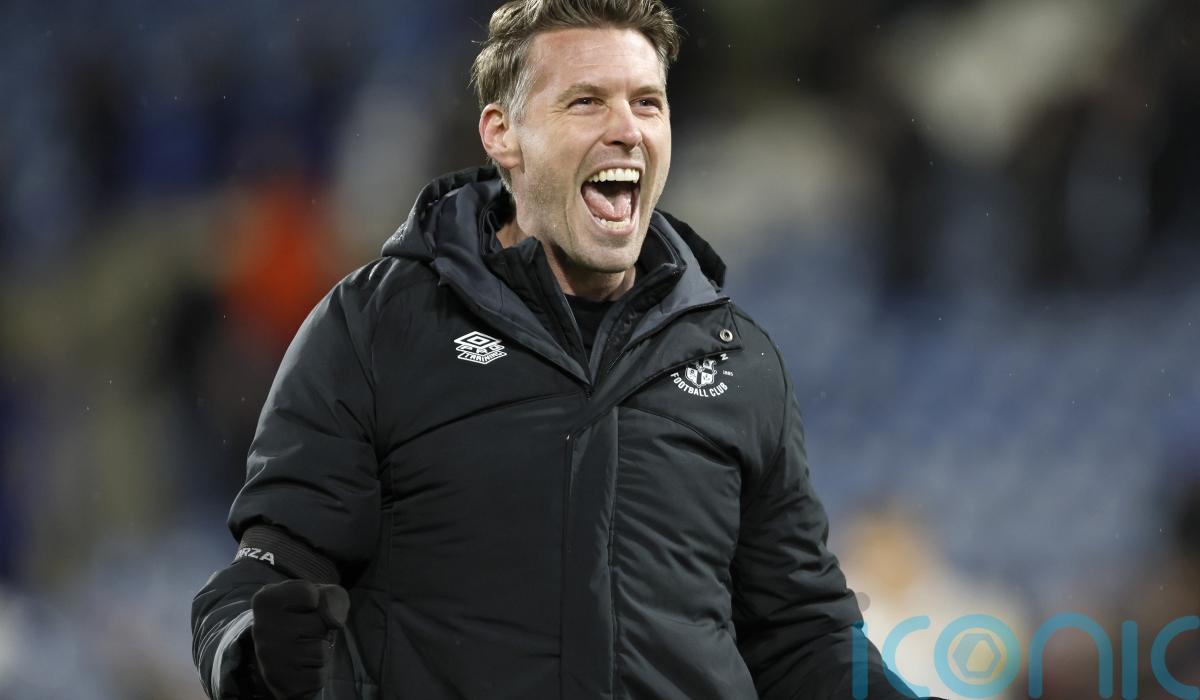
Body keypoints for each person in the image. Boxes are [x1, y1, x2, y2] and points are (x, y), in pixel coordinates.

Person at [192, 1, 929, 698]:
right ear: (502, 135)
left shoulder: (738, 360)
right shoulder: (375, 328)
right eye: (586, 102)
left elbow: (801, 634)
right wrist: (254, 653)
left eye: (648, 103)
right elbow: (264, 581)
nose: (627, 130)